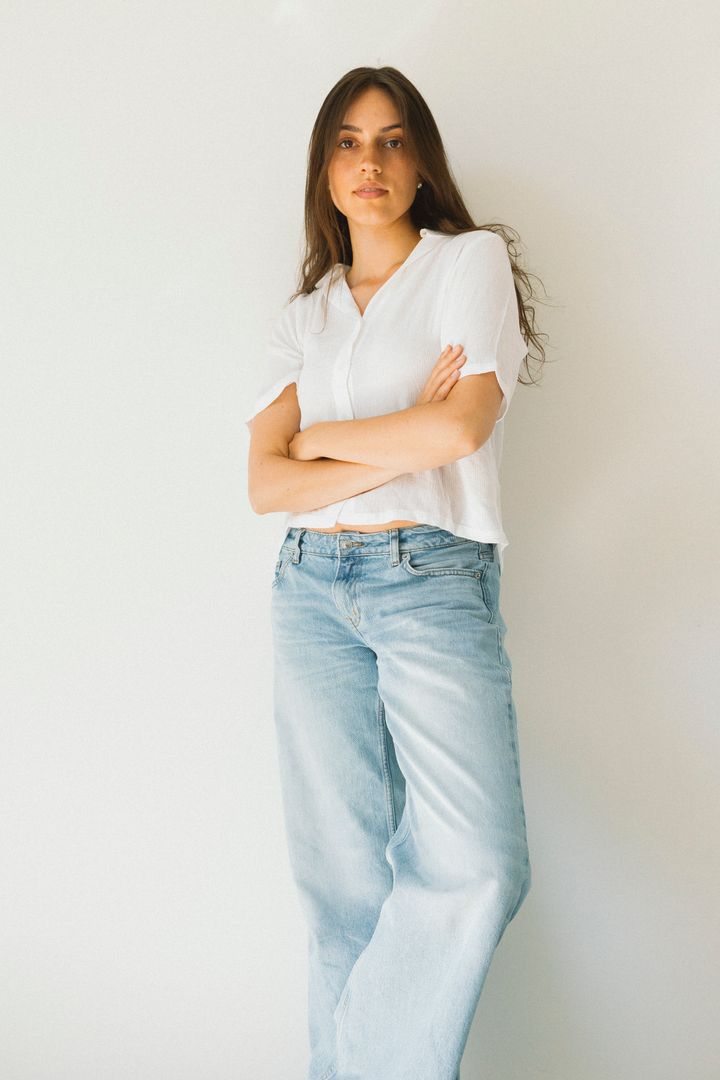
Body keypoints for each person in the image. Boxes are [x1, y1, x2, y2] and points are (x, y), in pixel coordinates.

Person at [246, 65, 547, 1080]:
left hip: (431, 576)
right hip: (308, 588)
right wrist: (396, 432)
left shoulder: (469, 261)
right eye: (347, 141)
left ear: (422, 163)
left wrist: (322, 440)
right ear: (324, 170)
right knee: (341, 890)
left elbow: (460, 429)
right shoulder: (307, 313)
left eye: (391, 139)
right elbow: (266, 486)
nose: (368, 161)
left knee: (478, 865)